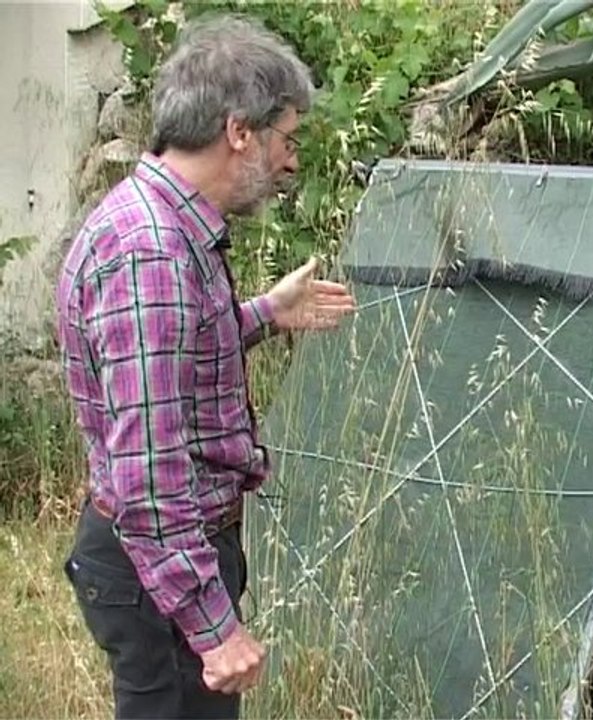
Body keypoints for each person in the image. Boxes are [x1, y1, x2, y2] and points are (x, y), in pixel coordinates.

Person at [55, 13, 355, 719]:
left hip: (160, 562)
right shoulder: (151, 254)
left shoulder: (155, 226)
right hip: (157, 570)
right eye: (287, 139)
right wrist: (213, 627)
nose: (291, 163)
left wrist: (266, 313)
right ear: (239, 131)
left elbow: (168, 363)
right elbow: (149, 475)